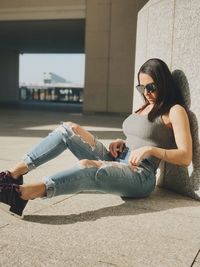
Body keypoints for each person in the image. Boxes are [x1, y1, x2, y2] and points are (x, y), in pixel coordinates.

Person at [0, 58, 193, 218]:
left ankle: (22, 195)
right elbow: (141, 135)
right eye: (141, 88)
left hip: (140, 175)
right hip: (118, 159)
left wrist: (151, 150)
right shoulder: (145, 106)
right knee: (68, 128)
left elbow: (185, 157)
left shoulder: (174, 111)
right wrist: (121, 142)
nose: (147, 93)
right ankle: (13, 174)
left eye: (151, 87)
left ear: (163, 83)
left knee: (86, 165)